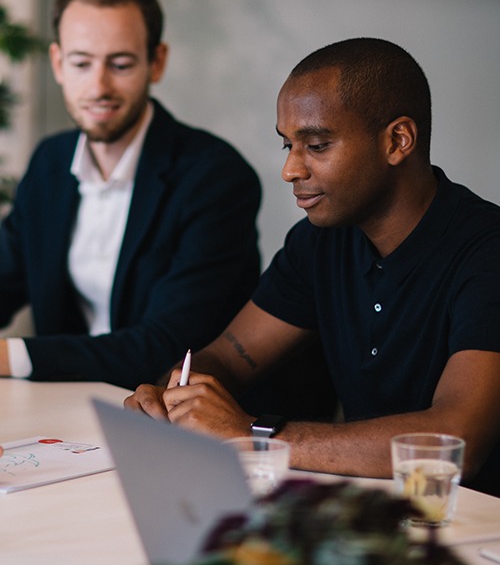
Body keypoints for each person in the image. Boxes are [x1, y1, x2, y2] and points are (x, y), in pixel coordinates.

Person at [126, 37, 500, 497]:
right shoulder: (320, 241)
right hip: (372, 516)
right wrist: (174, 397)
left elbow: (456, 439)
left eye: (317, 145)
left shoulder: (486, 251)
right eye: (287, 144)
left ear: (397, 140)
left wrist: (253, 436)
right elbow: (228, 356)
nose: (290, 169)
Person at [0, 0, 262, 390]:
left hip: (175, 418)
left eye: (120, 64)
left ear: (156, 62)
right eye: (81, 63)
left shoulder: (215, 178)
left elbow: (168, 345)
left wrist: (13, 355)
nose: (99, 86)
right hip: (68, 407)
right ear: (57, 64)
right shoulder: (50, 162)